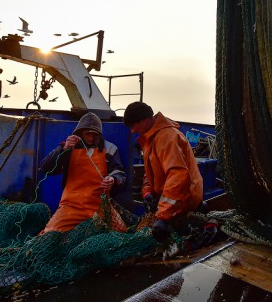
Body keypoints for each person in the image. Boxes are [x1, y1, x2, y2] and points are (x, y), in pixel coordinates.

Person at [123, 101, 203, 242]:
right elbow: (150, 172)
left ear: (145, 120)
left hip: (184, 198)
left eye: (133, 126)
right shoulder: (149, 139)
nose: (132, 131)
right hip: (171, 200)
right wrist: (148, 193)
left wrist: (163, 217)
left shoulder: (166, 137)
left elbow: (177, 176)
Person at [38, 112, 126, 234]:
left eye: (94, 135)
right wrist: (62, 149)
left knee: (121, 230)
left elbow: (119, 173)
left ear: (99, 134)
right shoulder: (69, 148)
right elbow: (44, 168)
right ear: (80, 133)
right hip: (71, 206)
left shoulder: (110, 148)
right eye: (87, 134)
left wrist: (113, 179)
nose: (90, 138)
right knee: (50, 233)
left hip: (100, 206)